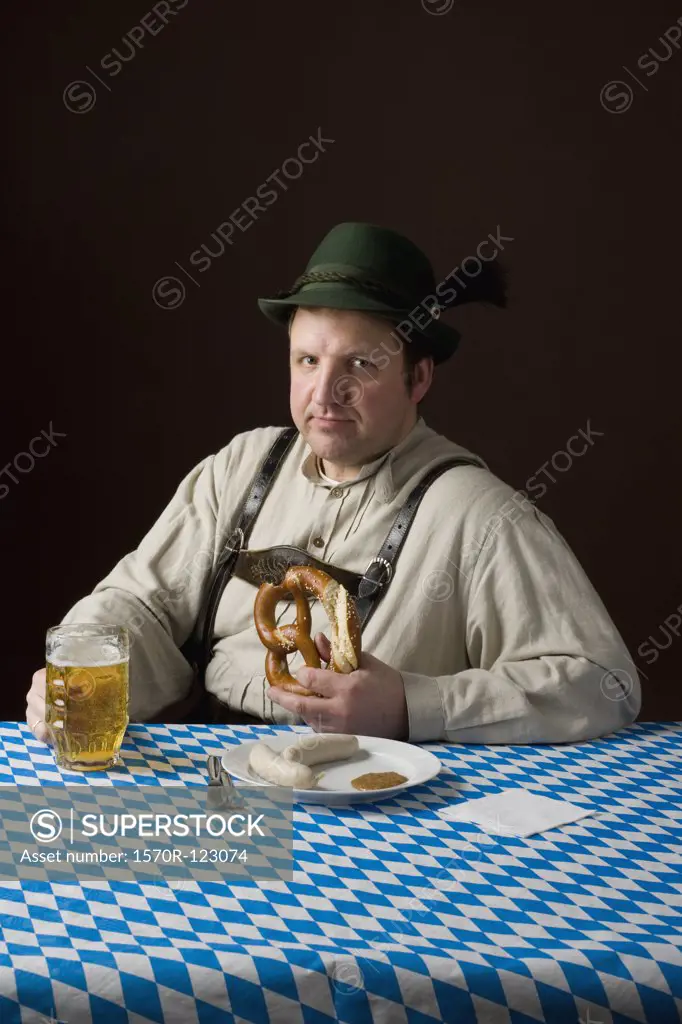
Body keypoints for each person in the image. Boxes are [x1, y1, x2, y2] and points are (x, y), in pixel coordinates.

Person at [26, 222, 641, 745]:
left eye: (361, 364)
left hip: (388, 822)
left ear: (418, 376)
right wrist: (79, 666)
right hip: (226, 780)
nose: (325, 393)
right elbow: (142, 605)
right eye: (308, 360)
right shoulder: (241, 468)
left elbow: (603, 684)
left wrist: (412, 705)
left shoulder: (479, 517)